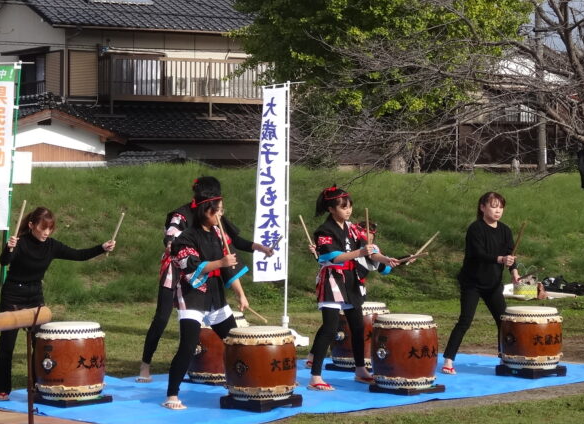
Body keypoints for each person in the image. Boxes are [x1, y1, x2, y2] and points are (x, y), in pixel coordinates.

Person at [136, 176, 273, 382]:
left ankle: (238, 375)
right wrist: (181, 247)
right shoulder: (182, 215)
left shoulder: (214, 215)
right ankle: (145, 365)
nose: (219, 210)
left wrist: (259, 247)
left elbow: (232, 240)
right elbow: (171, 240)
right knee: (162, 318)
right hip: (178, 267)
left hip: (206, 270)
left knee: (225, 330)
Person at [0, 206, 116, 400]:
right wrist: (9, 247)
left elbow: (78, 255)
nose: (46, 233)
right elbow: (4, 262)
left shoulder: (51, 245)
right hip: (13, 294)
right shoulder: (20, 243)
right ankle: (1, 389)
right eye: (43, 228)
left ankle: (37, 385)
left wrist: (101, 247)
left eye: (50, 229)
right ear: (32, 225)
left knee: (41, 343)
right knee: (7, 344)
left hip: (34, 295)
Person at [307, 185, 400, 390]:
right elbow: (333, 257)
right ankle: (315, 377)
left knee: (358, 327)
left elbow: (370, 252)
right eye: (343, 207)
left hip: (352, 280)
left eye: (349, 206)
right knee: (330, 328)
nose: (348, 210)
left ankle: (360, 370)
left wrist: (386, 259)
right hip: (332, 279)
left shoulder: (354, 228)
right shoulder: (323, 231)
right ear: (331, 209)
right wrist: (360, 252)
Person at [162, 187, 245, 410]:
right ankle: (171, 395)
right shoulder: (186, 237)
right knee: (188, 345)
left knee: (235, 342)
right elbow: (190, 267)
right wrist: (220, 263)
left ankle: (241, 386)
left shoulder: (219, 234)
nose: (221, 214)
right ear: (207, 211)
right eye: (218, 210)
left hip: (216, 295)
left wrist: (241, 294)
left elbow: (229, 268)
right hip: (192, 296)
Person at [440, 191, 520, 375]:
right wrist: (501, 259)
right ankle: (448, 360)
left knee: (504, 321)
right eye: (493, 206)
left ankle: (505, 358)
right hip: (472, 283)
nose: (498, 210)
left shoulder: (505, 230)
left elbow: (510, 255)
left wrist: (514, 273)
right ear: (482, 207)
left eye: (501, 207)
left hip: (493, 284)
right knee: (465, 321)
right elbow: (478, 254)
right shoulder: (475, 228)